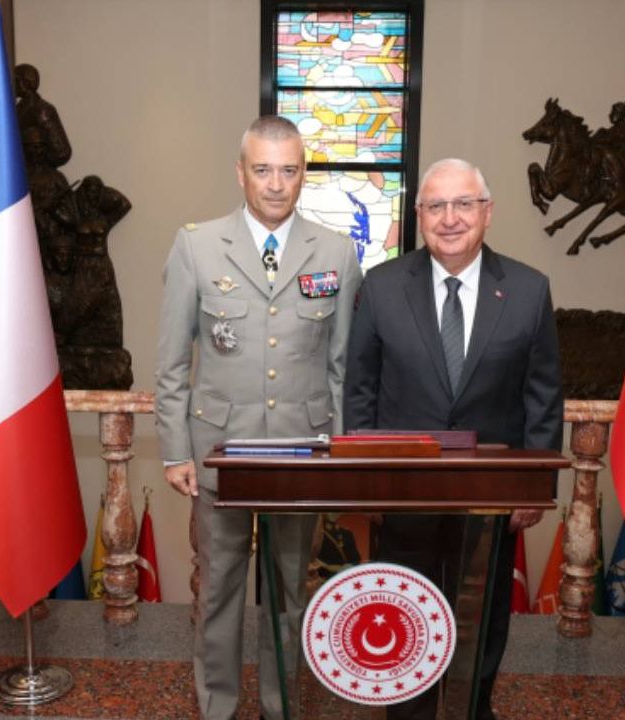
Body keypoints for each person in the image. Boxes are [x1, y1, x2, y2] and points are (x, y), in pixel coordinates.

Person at [154, 115, 362, 720]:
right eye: (263, 169)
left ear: (303, 175)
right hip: (219, 453)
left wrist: (339, 454)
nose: (276, 184)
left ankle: (281, 705)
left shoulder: (335, 251)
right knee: (218, 587)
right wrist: (175, 450)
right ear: (240, 173)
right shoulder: (196, 245)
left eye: (288, 170)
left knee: (290, 591)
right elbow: (172, 362)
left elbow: (342, 367)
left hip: (302, 453)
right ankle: (217, 705)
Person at [343, 158, 563, 720]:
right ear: (418, 216)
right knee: (405, 612)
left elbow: (542, 396)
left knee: (483, 615)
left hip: (491, 495)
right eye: (436, 206)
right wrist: (366, 480)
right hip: (403, 491)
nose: (450, 218)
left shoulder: (528, 290)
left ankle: (473, 709)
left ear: (487, 212)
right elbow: (360, 390)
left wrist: (534, 486)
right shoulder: (382, 286)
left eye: (463, 204)